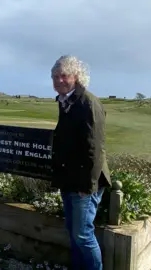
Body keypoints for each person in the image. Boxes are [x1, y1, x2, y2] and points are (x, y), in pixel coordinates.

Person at [50, 55, 112, 270]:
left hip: (85, 183)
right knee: (74, 231)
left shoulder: (88, 103)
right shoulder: (66, 100)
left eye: (64, 76)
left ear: (76, 76)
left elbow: (95, 150)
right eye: (55, 77)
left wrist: (88, 186)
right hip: (70, 179)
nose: (59, 81)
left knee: (83, 234)